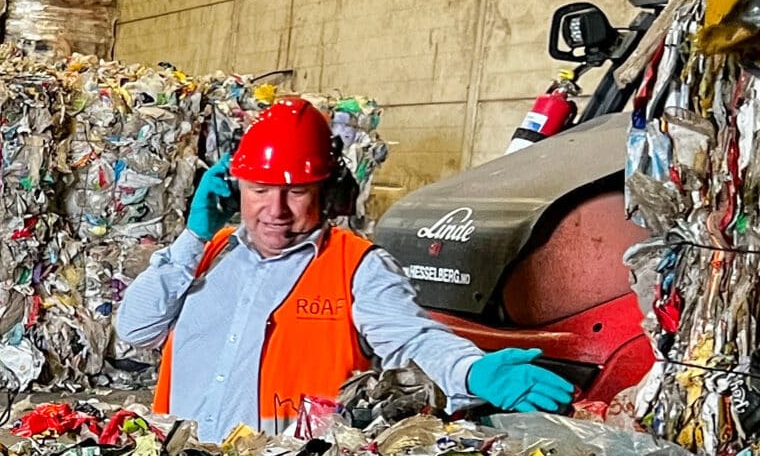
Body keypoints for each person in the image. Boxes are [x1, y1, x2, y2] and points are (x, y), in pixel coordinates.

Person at [115, 96, 575, 435]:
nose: (274, 209)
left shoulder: (358, 266)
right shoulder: (208, 254)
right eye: (259, 189)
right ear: (235, 188)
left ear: (327, 194)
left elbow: (412, 340)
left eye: (295, 193)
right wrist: (192, 237)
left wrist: (473, 371)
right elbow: (135, 329)